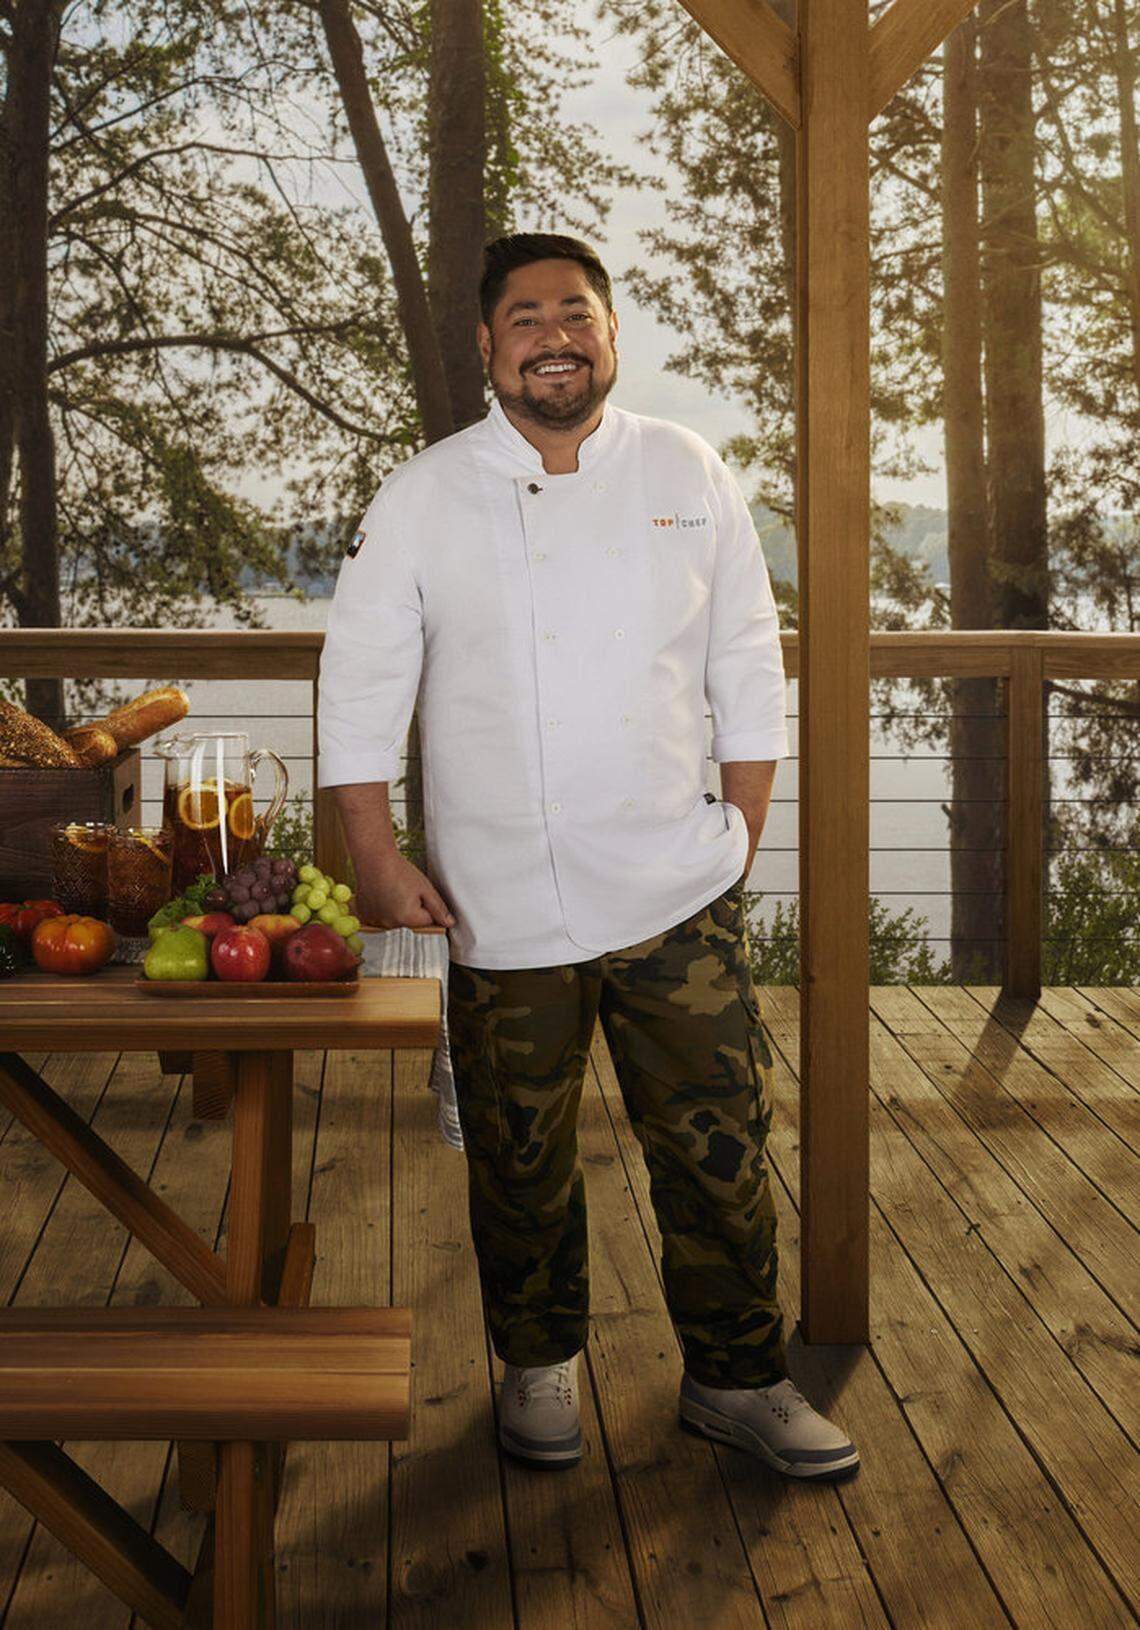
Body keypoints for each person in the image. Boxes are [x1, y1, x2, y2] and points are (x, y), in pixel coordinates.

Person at [317, 232, 859, 1481]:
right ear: (485, 344)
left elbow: (744, 657)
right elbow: (359, 683)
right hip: (492, 899)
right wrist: (371, 850)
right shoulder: (423, 494)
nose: (552, 334)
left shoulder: (686, 467)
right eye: (524, 316)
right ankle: (537, 1363)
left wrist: (742, 830)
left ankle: (740, 1377)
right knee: (520, 1160)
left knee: (720, 1146)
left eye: (576, 311)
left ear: (611, 334)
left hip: (676, 889)